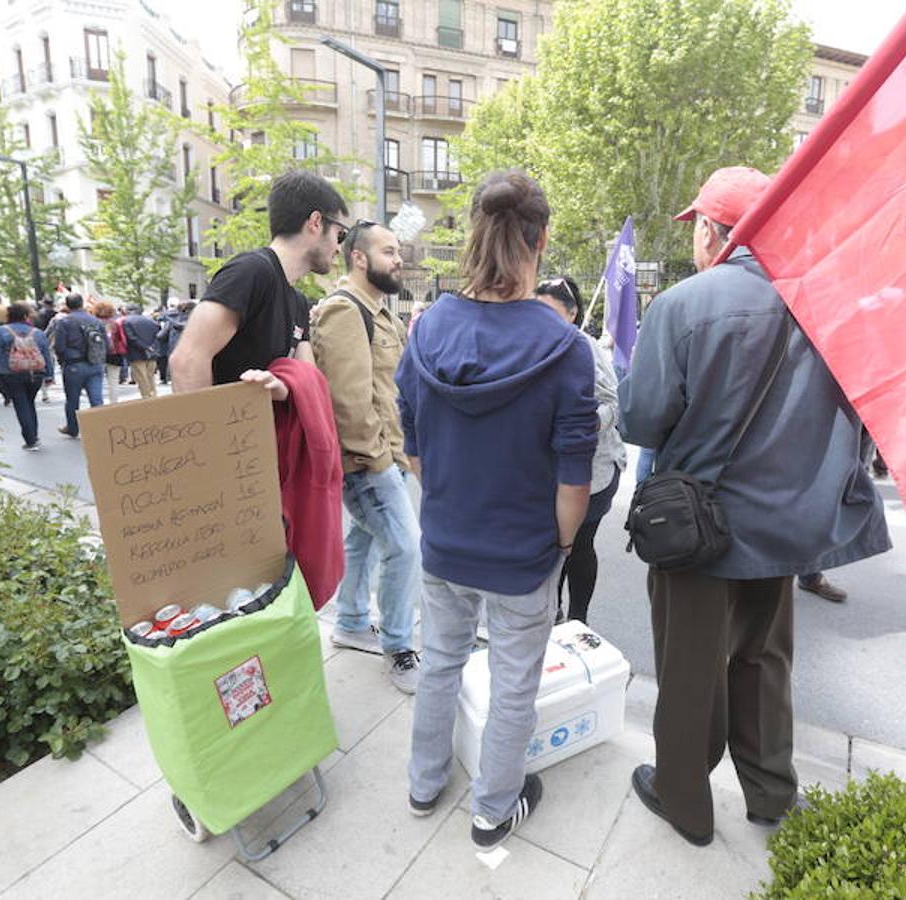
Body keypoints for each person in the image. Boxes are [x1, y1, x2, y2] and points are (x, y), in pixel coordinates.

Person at [618, 166, 891, 845]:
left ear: (712, 231)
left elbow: (643, 421)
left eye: (695, 230)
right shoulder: (831, 307)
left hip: (699, 531)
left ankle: (685, 801)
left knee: (690, 670)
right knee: (765, 662)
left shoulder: (683, 305)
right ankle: (772, 794)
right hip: (788, 528)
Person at [399, 169, 597, 850]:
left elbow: (415, 452)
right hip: (523, 554)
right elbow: (574, 483)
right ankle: (493, 810)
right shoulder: (568, 350)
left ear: (474, 235)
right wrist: (564, 542)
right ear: (539, 240)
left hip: (446, 542)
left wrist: (450, 503)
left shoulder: (425, 332)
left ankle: (424, 783)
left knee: (441, 663)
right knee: (514, 685)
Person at [311, 220, 422, 693]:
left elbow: (389, 388)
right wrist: (379, 459)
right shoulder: (344, 310)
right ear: (358, 257)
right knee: (406, 545)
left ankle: (352, 621)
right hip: (366, 460)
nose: (398, 259)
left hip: (385, 454)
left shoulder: (380, 312)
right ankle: (399, 644)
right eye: (389, 251)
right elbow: (349, 401)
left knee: (363, 540)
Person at [170, 169, 347, 396]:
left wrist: (280, 388)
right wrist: (210, 430)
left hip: (262, 431)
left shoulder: (298, 302)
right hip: (230, 429)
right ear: (315, 222)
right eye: (339, 235)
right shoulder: (250, 272)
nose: (339, 248)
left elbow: (307, 383)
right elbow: (186, 362)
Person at [535, 275, 626, 624]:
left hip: (594, 470)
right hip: (548, 470)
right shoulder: (530, 345)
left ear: (572, 314)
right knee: (553, 548)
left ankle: (577, 621)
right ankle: (551, 617)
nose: (541, 320)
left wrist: (583, 426)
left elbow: (613, 404)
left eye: (550, 311)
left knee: (576, 545)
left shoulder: (584, 347)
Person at [0, 301, 55, 450]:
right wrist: (49, 375)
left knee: (21, 404)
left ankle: (31, 440)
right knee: (30, 403)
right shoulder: (38, 333)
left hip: (11, 373)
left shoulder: (0, 331)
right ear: (26, 316)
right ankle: (34, 436)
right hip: (35, 373)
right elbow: (46, 355)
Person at [51, 293, 107, 438]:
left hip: (74, 364)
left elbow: (59, 346)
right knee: (96, 399)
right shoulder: (95, 321)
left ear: (67, 305)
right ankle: (101, 428)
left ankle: (73, 428)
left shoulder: (65, 322)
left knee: (72, 400)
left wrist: (62, 359)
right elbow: (107, 343)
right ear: (82, 303)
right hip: (95, 364)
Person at [121, 305, 161, 399]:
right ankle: (154, 396)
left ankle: (146, 397)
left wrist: (145, 347)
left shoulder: (127, 322)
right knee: (150, 376)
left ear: (128, 311)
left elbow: (131, 338)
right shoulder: (151, 321)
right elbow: (158, 336)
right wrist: (151, 347)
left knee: (141, 377)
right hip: (152, 353)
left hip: (136, 353)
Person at [93, 300, 125, 404]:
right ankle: (114, 402)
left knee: (97, 381)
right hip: (115, 354)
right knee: (113, 381)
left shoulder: (94, 323)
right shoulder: (115, 323)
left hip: (98, 354)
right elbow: (122, 338)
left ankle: (98, 402)